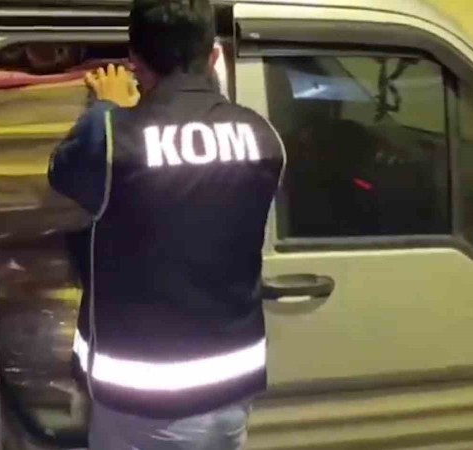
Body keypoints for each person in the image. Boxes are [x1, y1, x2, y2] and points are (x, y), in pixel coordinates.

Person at [47, 0, 285, 447]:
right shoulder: (264, 136)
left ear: (135, 61)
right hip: (233, 392)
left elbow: (63, 172)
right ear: (214, 55)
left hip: (144, 403)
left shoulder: (116, 139)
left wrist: (105, 107)